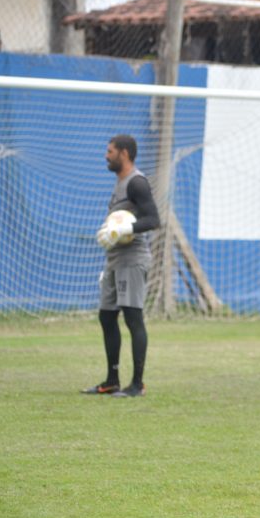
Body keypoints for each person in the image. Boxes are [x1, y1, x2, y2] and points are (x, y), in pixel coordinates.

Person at [81, 135, 160, 398]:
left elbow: (152, 219)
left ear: (123, 153)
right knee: (106, 316)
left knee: (133, 318)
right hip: (115, 261)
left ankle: (137, 385)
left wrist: (127, 228)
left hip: (133, 260)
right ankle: (111, 380)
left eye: (110, 151)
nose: (106, 155)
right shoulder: (119, 184)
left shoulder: (136, 182)